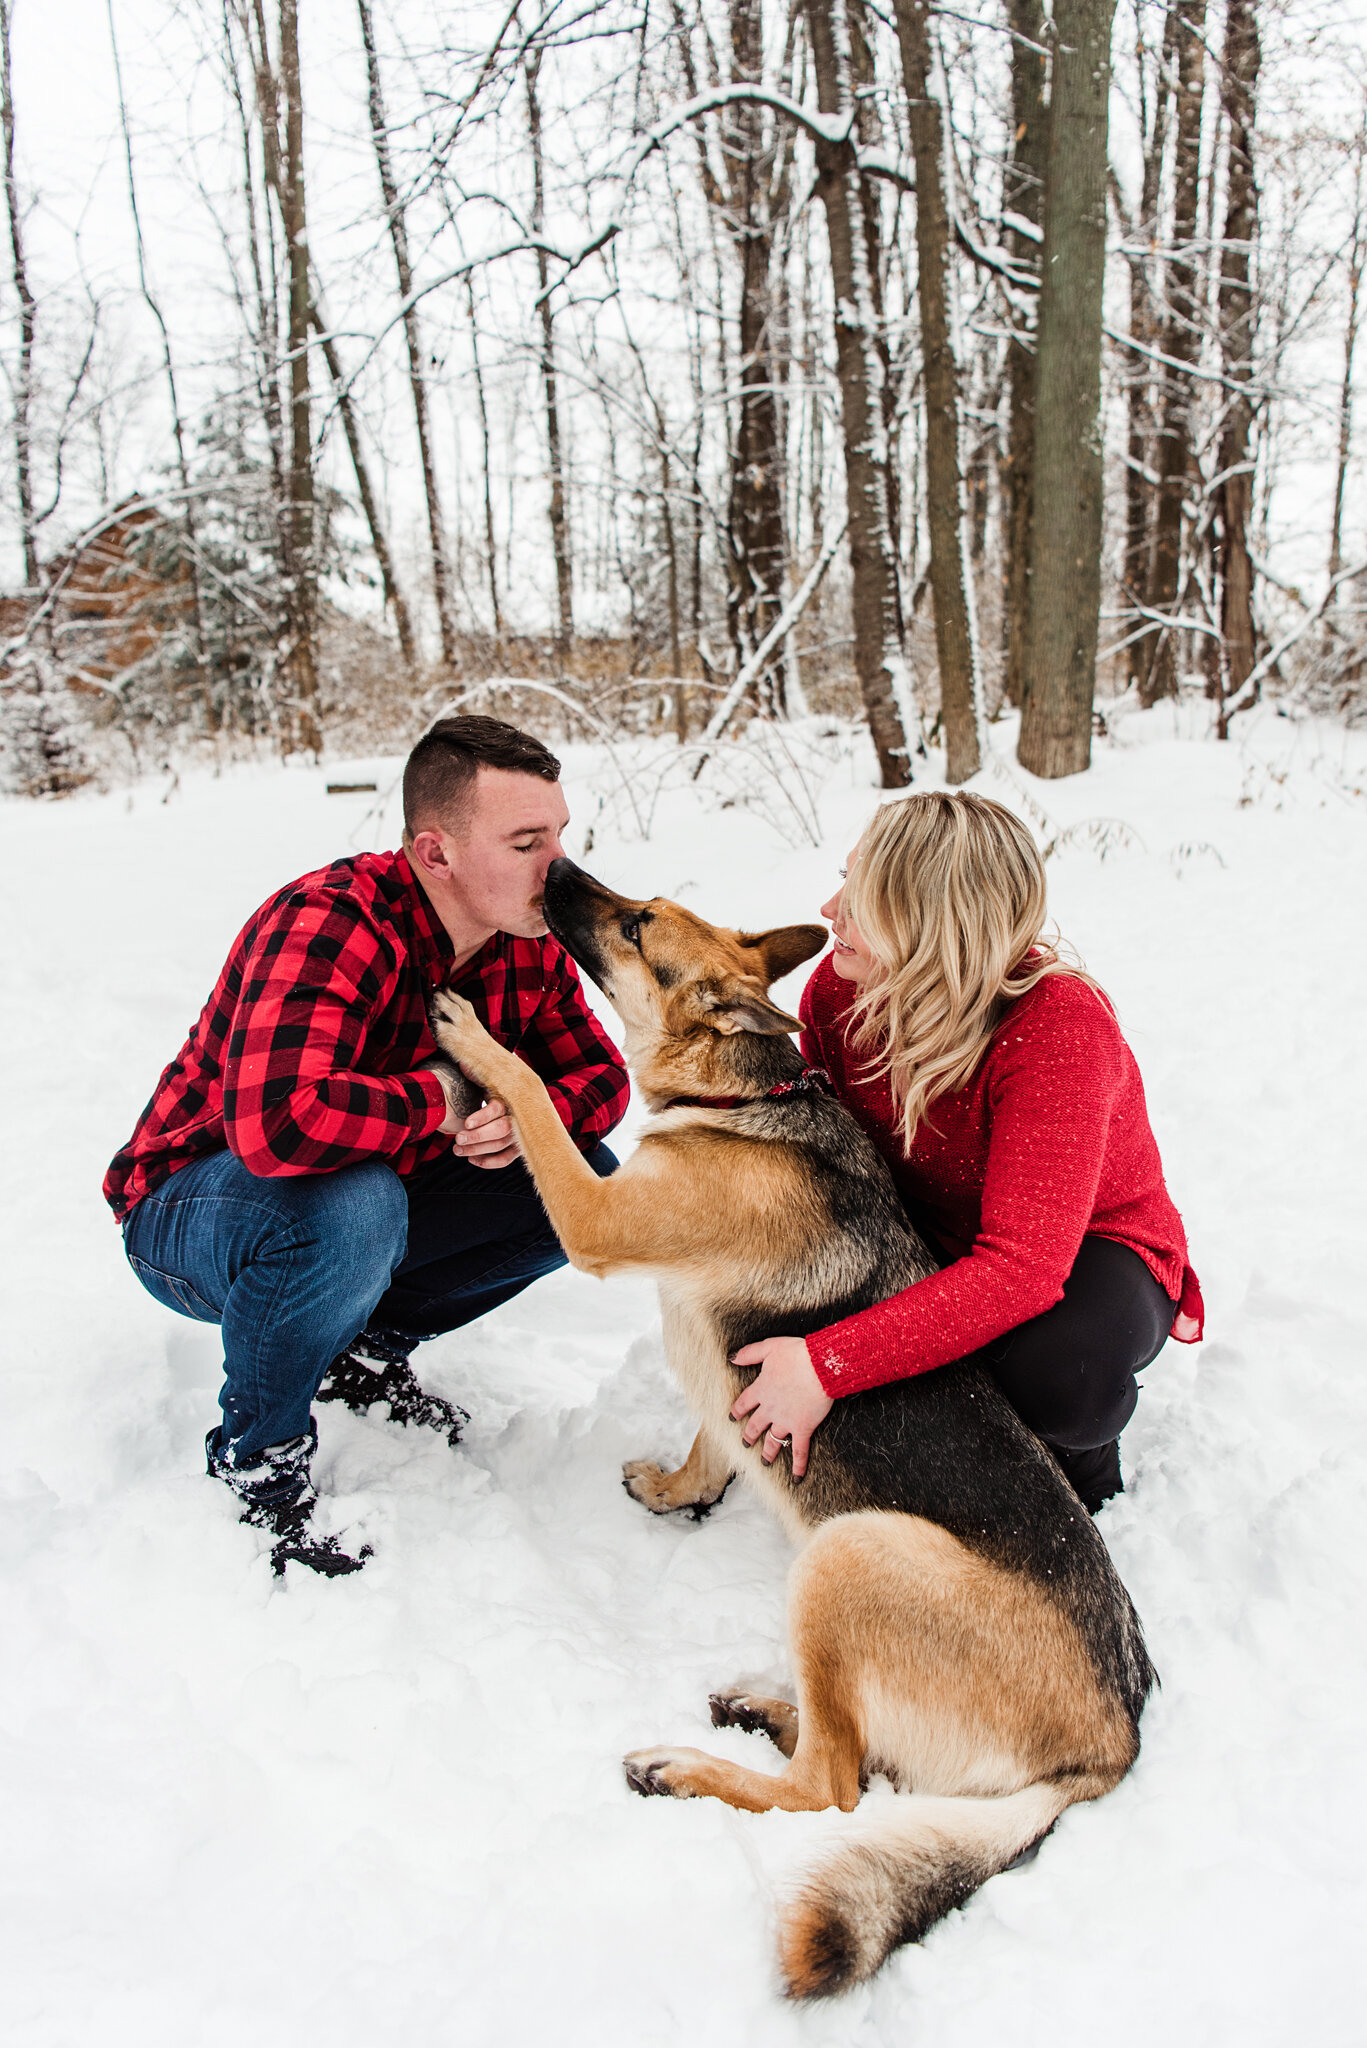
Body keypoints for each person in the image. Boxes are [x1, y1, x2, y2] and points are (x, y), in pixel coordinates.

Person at [104, 716, 627, 1576]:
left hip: (359, 1194)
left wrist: (522, 1112)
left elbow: (601, 1084)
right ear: (436, 852)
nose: (559, 867)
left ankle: (363, 1356)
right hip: (192, 1211)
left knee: (577, 1183)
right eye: (527, 842)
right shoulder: (328, 922)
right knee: (353, 1201)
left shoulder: (526, 940)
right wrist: (449, 1097)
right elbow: (280, 1127)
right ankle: (258, 1456)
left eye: (562, 835)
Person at [730, 791, 1203, 1513]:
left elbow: (1020, 1268)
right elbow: (816, 1139)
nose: (829, 909)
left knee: (1059, 1376)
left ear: (929, 918)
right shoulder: (839, 991)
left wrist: (825, 1367)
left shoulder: (1055, 1028)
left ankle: (1084, 1474)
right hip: (932, 1223)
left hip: (1084, 1246)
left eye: (859, 898)